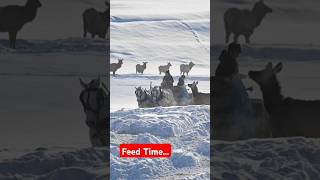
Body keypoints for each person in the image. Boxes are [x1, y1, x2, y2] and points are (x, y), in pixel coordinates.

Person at [215, 43, 254, 119]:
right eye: (237, 52)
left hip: (227, 85)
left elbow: (232, 75)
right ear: (232, 51)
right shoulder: (228, 61)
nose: (238, 55)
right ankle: (243, 117)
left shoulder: (228, 60)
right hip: (226, 87)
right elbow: (228, 76)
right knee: (241, 99)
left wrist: (242, 76)